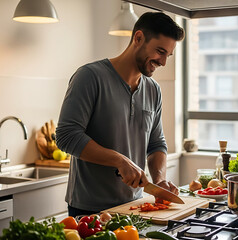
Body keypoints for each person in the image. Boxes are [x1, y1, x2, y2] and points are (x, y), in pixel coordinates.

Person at [56, 12, 185, 217]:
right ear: (138, 38)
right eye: (160, 51)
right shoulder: (90, 77)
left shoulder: (153, 89)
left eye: (167, 55)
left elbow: (156, 143)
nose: (163, 62)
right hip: (90, 208)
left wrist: (159, 180)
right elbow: (66, 136)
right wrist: (119, 160)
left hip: (135, 205)